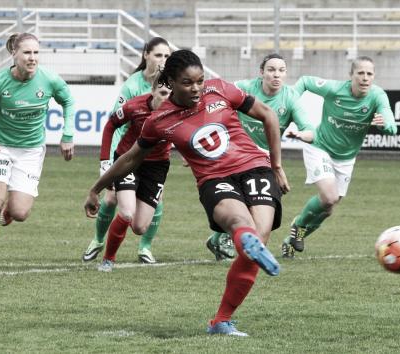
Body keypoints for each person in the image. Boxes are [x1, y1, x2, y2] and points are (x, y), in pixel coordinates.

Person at [84, 49, 290, 336]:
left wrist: (277, 166)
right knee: (240, 225)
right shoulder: (160, 121)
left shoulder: (220, 90)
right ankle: (246, 250)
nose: (196, 89)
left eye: (199, 81)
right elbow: (130, 158)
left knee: (259, 235)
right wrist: (96, 188)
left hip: (255, 168)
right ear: (170, 81)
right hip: (214, 179)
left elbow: (267, 115)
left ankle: (221, 320)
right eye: (187, 82)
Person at [0, 32, 75, 273]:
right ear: (14, 54)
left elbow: (68, 101)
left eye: (36, 52)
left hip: (30, 152)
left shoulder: (50, 80)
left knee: (20, 212)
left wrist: (67, 135)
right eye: (27, 52)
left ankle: (11, 210)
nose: (32, 57)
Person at [282, 56, 397, 258]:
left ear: (374, 77)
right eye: (360, 73)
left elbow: (391, 123)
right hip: (320, 147)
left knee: (328, 209)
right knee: (330, 196)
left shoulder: (378, 96)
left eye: (369, 74)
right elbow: (305, 81)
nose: (365, 78)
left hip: (345, 158)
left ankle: (293, 239)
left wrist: (385, 124)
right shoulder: (335, 89)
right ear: (351, 75)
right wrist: (291, 99)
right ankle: (297, 226)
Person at [205, 53, 315, 261]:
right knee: (238, 200)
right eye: (271, 70)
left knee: (262, 205)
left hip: (265, 159)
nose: (277, 75)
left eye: (281, 70)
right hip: (236, 152)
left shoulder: (290, 98)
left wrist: (302, 135)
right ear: (261, 73)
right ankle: (226, 239)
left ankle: (219, 239)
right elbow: (218, 96)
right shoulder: (245, 87)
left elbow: (310, 130)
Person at [82, 37, 171, 264]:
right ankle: (99, 241)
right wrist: (108, 163)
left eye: (167, 56)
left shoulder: (174, 87)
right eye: (159, 55)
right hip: (129, 153)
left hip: (156, 160)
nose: (163, 60)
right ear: (146, 55)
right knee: (113, 200)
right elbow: (115, 125)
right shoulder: (133, 86)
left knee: (152, 209)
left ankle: (145, 247)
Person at [96, 81, 172, 272]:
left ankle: (143, 246)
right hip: (128, 160)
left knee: (139, 227)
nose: (167, 98)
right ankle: (108, 259)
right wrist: (105, 160)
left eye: (171, 94)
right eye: (162, 92)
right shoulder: (134, 106)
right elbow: (110, 125)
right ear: (153, 91)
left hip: (157, 167)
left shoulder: (179, 111)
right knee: (127, 212)